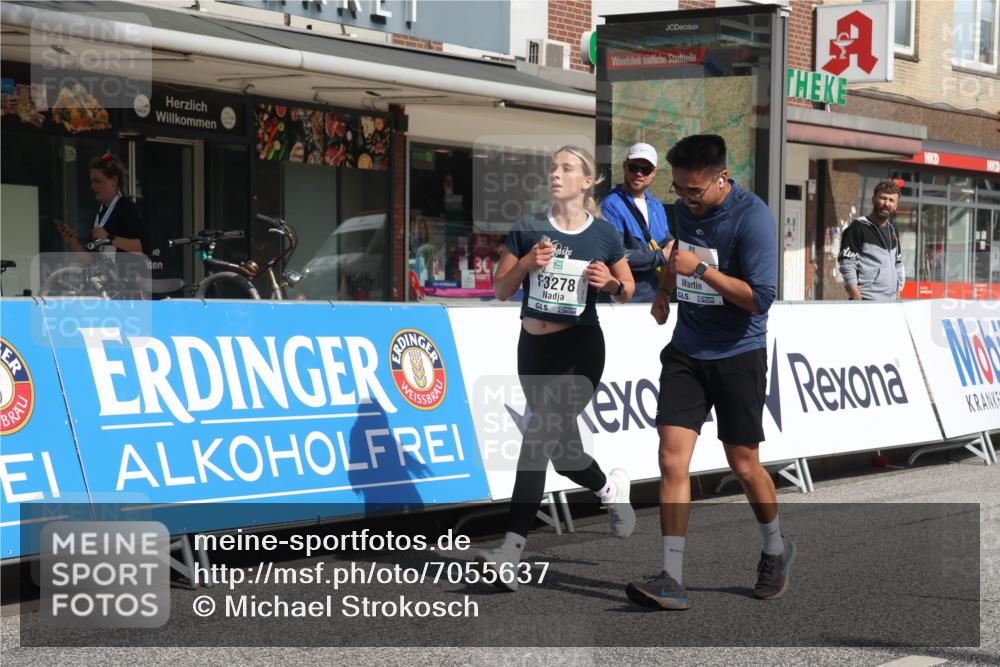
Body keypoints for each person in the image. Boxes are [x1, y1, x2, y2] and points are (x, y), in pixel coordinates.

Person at [626, 135, 793, 610]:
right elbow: (678, 250)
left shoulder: (753, 217)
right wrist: (664, 287)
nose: (685, 200)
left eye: (694, 191)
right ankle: (671, 578)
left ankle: (775, 549)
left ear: (722, 178)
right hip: (687, 351)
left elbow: (760, 297)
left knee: (744, 465)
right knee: (671, 460)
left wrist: (699, 271)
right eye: (678, 190)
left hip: (739, 352)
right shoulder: (685, 206)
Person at [476, 145, 637, 591]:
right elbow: (502, 290)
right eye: (552, 167)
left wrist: (611, 284)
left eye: (567, 168)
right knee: (564, 457)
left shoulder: (603, 234)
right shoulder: (528, 227)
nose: (556, 174)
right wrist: (527, 263)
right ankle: (608, 490)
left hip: (579, 352)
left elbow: (627, 289)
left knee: (535, 438)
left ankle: (510, 551)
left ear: (587, 182)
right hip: (533, 351)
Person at [600, 142, 673, 302]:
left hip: (656, 296)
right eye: (634, 167)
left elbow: (667, 242)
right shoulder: (611, 205)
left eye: (646, 170)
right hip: (627, 300)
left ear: (654, 173)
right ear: (625, 166)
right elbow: (615, 255)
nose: (639, 173)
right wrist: (661, 256)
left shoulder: (656, 205)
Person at [57, 152, 144, 259]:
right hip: (104, 275)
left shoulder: (127, 208)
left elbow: (141, 247)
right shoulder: (99, 214)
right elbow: (88, 259)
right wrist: (71, 240)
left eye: (97, 181)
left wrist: (108, 237)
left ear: (114, 181)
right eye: (91, 181)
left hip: (128, 274)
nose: (92, 186)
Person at [837, 181, 904, 301]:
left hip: (891, 302)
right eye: (883, 198)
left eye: (891, 200)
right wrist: (858, 299)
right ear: (873, 199)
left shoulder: (892, 230)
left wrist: (898, 297)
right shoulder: (858, 227)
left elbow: (897, 265)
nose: (886, 203)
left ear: (896, 206)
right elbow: (847, 265)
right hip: (867, 301)